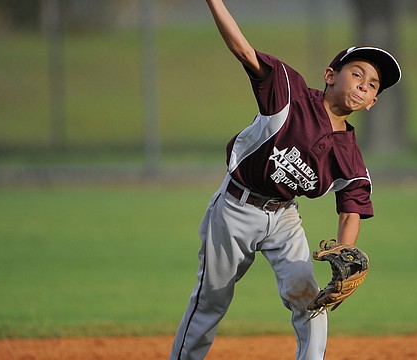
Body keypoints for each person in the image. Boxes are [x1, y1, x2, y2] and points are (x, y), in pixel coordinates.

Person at [170, 1, 401, 359]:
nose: (363, 86)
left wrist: (343, 251)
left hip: (284, 218)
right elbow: (243, 50)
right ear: (330, 75)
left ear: (372, 102)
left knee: (311, 300)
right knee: (211, 300)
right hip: (236, 207)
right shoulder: (288, 94)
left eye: (372, 85)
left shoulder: (349, 154)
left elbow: (350, 208)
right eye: (356, 74)